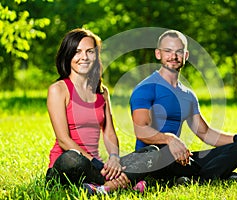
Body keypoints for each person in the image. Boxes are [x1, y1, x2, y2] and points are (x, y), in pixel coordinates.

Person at [129, 30, 237, 183]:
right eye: (168, 51)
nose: (173, 56)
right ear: (158, 54)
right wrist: (169, 139)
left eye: (179, 52)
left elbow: (205, 133)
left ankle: (194, 178)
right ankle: (213, 176)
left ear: (186, 56)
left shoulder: (187, 95)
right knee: (161, 154)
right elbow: (141, 131)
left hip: (179, 157)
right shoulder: (146, 88)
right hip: (154, 159)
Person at [45, 28, 160, 195]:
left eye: (90, 51)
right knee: (72, 158)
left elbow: (109, 133)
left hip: (100, 166)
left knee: (152, 152)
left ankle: (101, 188)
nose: (84, 57)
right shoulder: (58, 89)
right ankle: (123, 182)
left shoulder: (102, 92)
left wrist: (114, 158)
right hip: (71, 164)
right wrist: (99, 166)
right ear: (68, 55)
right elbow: (63, 140)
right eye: (77, 52)